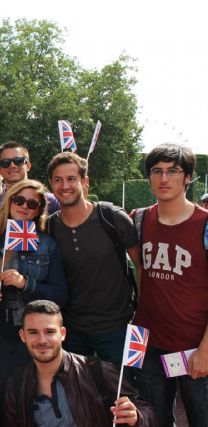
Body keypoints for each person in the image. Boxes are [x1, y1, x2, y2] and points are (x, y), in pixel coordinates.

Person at [0, 179, 68, 427]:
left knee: (31, 401)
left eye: (33, 204)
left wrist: (25, 283)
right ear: (9, 201)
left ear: (39, 210)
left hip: (30, 337)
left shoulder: (47, 244)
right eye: (19, 200)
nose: (25, 207)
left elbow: (60, 295)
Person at [132, 144, 208, 426]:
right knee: (154, 419)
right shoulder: (140, 219)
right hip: (151, 345)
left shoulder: (204, 224)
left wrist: (205, 350)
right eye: (157, 171)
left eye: (173, 171)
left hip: (195, 348)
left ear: (187, 177)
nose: (164, 179)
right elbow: (140, 268)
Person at [47, 152, 140, 367]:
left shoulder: (112, 217)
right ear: (51, 184)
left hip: (117, 327)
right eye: (58, 180)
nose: (65, 186)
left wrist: (140, 312)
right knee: (77, 395)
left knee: (123, 394)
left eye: (71, 179)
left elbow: (140, 265)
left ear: (85, 182)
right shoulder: (50, 227)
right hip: (72, 329)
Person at [5, 300, 154, 427]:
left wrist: (137, 417)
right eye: (33, 332)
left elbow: (147, 412)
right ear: (22, 336)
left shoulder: (97, 371)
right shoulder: (16, 385)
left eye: (50, 332)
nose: (42, 340)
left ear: (63, 334)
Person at [0, 141, 60, 225]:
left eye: (18, 160)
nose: (12, 165)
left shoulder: (52, 201)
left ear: (28, 165)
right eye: (6, 163)